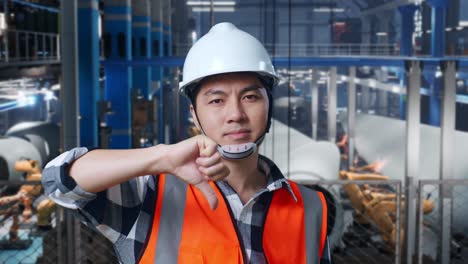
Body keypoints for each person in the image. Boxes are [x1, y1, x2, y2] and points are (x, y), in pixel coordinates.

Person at [42, 22, 331, 264]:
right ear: (194, 114)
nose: (236, 115)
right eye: (217, 100)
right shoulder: (150, 195)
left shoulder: (310, 206)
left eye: (250, 97)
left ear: (269, 105)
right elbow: (59, 182)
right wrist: (159, 158)